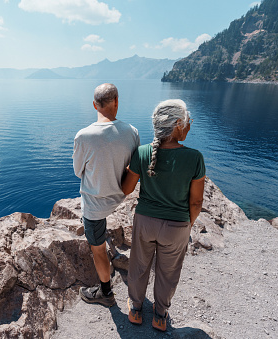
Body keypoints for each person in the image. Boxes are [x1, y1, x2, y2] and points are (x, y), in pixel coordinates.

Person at [121, 99, 205, 331]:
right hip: (177, 226)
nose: (190, 126)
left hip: (145, 221)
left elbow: (127, 189)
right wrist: (187, 224)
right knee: (169, 272)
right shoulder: (195, 158)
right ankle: (160, 315)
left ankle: (135, 310)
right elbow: (196, 202)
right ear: (177, 124)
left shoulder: (143, 152)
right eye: (188, 121)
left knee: (139, 265)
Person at [73, 83, 140, 307]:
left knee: (98, 249)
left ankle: (105, 293)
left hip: (95, 205)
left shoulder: (84, 136)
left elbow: (77, 171)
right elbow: (134, 166)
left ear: (94, 105)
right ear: (117, 102)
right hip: (121, 196)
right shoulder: (132, 132)